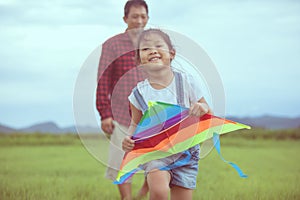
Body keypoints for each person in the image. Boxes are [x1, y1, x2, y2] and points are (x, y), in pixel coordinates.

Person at [122, 29, 213, 200]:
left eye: (158, 46)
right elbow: (135, 123)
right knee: (159, 192)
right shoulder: (138, 93)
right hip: (155, 151)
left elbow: (209, 112)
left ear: (172, 53)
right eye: (146, 48)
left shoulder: (187, 82)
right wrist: (129, 138)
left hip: (186, 152)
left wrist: (201, 107)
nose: (153, 50)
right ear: (139, 59)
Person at [96, 0, 149, 199]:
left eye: (143, 16)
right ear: (125, 18)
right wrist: (105, 114)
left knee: (157, 160)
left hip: (151, 114)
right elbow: (103, 80)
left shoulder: (152, 43)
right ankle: (126, 198)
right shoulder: (112, 45)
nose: (139, 21)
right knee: (121, 161)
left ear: (148, 18)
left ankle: (143, 192)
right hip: (121, 114)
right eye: (134, 16)